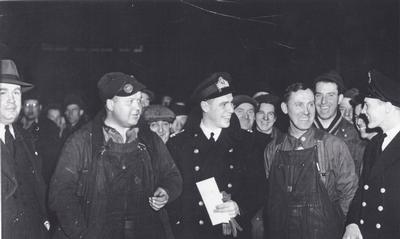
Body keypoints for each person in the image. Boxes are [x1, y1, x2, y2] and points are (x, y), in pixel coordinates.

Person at [49, 72, 182, 239]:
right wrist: (81, 233)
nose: (137, 107)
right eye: (130, 102)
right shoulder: (81, 141)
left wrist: (165, 191)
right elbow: (61, 194)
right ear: (110, 104)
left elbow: (172, 176)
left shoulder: (150, 140)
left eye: (139, 100)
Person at [263, 82, 358, 239]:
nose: (306, 111)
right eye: (299, 105)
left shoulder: (333, 146)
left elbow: (350, 194)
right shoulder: (273, 149)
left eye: (311, 104)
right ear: (285, 108)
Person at [167, 72, 255, 239]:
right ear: (205, 107)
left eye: (231, 103)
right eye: (224, 105)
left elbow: (257, 188)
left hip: (235, 232)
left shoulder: (246, 142)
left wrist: (239, 205)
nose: (231, 109)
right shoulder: (179, 144)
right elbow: (173, 193)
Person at [343, 70, 400, 239]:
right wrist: (352, 223)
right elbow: (362, 192)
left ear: (388, 107)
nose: (362, 111)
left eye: (368, 105)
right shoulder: (374, 144)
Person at [1, 59, 50, 238]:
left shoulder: (26, 138)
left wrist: (45, 220)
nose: (11, 100)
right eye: (3, 92)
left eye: (16, 93)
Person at [313, 71, 365, 177]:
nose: (323, 101)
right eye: (319, 95)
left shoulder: (355, 137)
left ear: (340, 99)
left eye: (330, 95)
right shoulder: (301, 131)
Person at [249, 93, 283, 239]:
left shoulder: (284, 142)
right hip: (250, 204)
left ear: (275, 118)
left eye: (270, 114)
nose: (265, 118)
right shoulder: (245, 140)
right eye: (261, 113)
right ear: (255, 116)